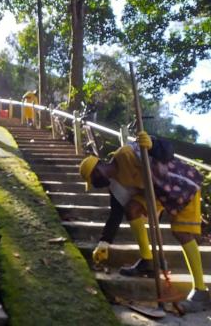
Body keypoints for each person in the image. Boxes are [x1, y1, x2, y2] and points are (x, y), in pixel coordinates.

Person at [79, 132, 210, 312]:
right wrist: (104, 242)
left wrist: (153, 146)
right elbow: (115, 215)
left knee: (182, 233)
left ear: (97, 170)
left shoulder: (127, 153)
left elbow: (168, 150)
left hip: (180, 184)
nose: (95, 183)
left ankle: (201, 291)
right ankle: (147, 260)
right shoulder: (115, 185)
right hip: (157, 193)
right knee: (132, 208)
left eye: (93, 179)